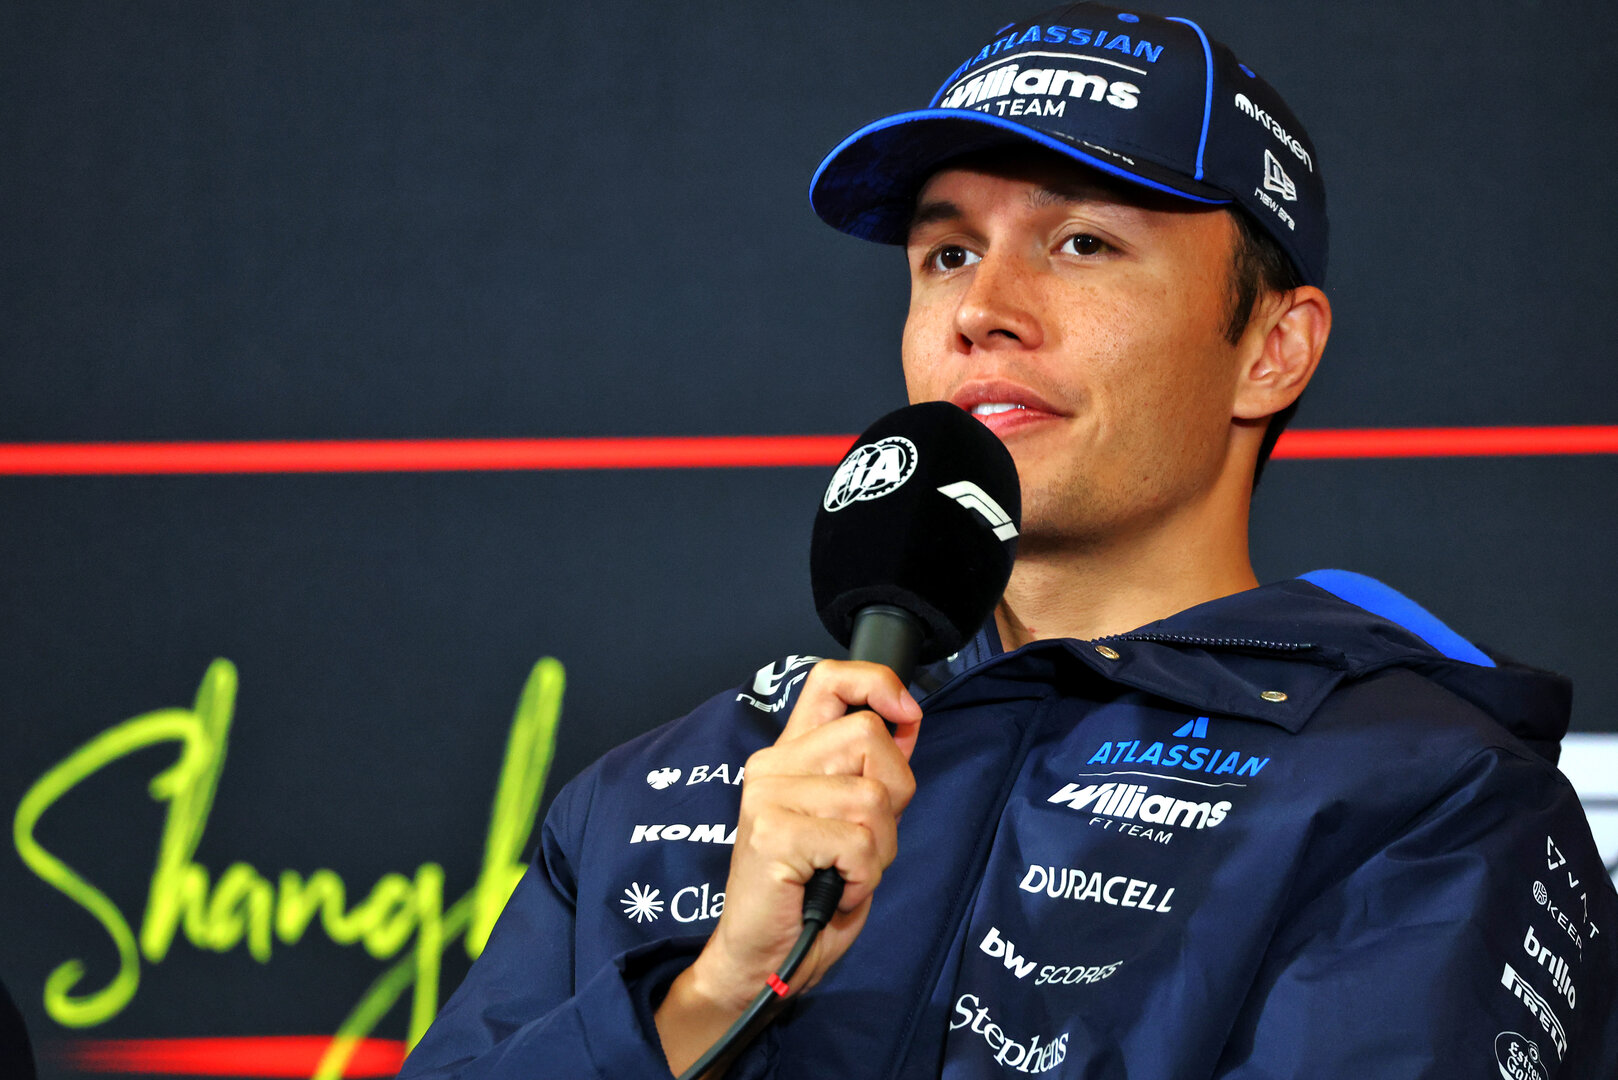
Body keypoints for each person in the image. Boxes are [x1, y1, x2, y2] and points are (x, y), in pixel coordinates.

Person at [400, 4, 1618, 1077]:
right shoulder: (664, 789)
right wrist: (712, 996)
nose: (981, 311)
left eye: (1081, 243)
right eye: (947, 255)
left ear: (1271, 349)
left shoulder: (1424, 800)